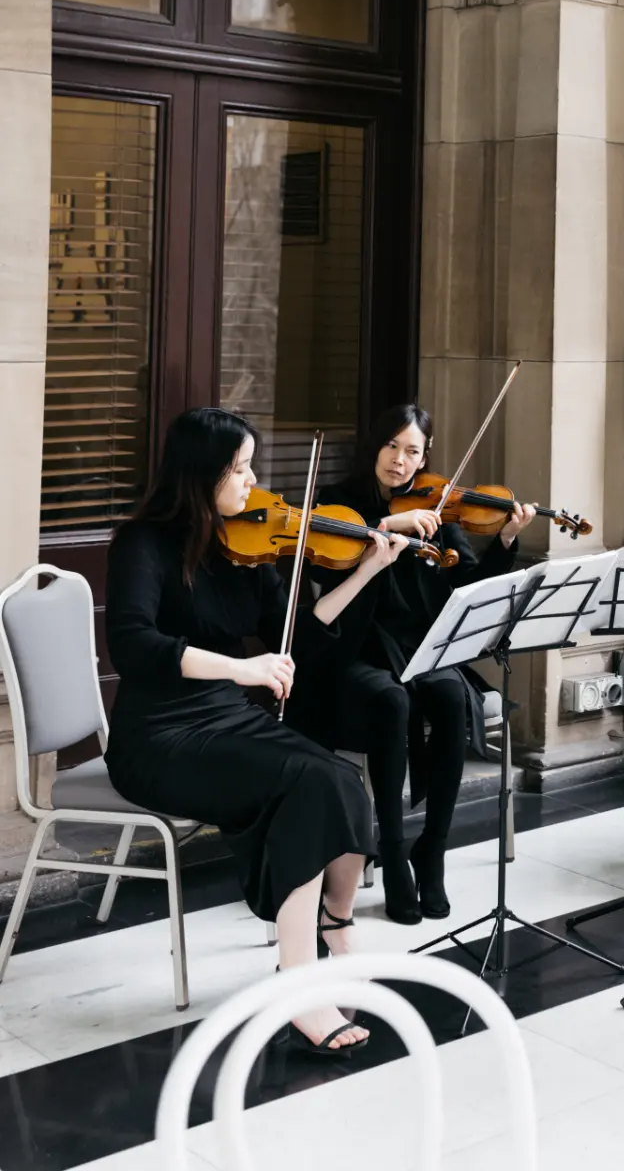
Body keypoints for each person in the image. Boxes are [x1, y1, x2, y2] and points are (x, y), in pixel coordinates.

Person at [105, 407, 398, 1060]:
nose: (252, 480)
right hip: (158, 737)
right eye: (239, 469)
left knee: (340, 779)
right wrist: (241, 668)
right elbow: (133, 644)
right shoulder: (143, 542)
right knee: (308, 780)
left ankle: (335, 930)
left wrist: (366, 572)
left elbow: (302, 638)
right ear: (199, 474)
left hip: (228, 719)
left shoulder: (243, 545)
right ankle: (298, 984)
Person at [288, 403, 535, 924]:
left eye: (413, 451)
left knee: (448, 696)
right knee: (390, 699)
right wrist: (386, 524)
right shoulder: (338, 500)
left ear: (426, 458)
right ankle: (394, 852)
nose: (400, 461)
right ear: (374, 446)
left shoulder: (437, 508)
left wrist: (506, 541)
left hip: (418, 647)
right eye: (392, 446)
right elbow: (318, 555)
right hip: (354, 648)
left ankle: (433, 849)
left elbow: (468, 586)